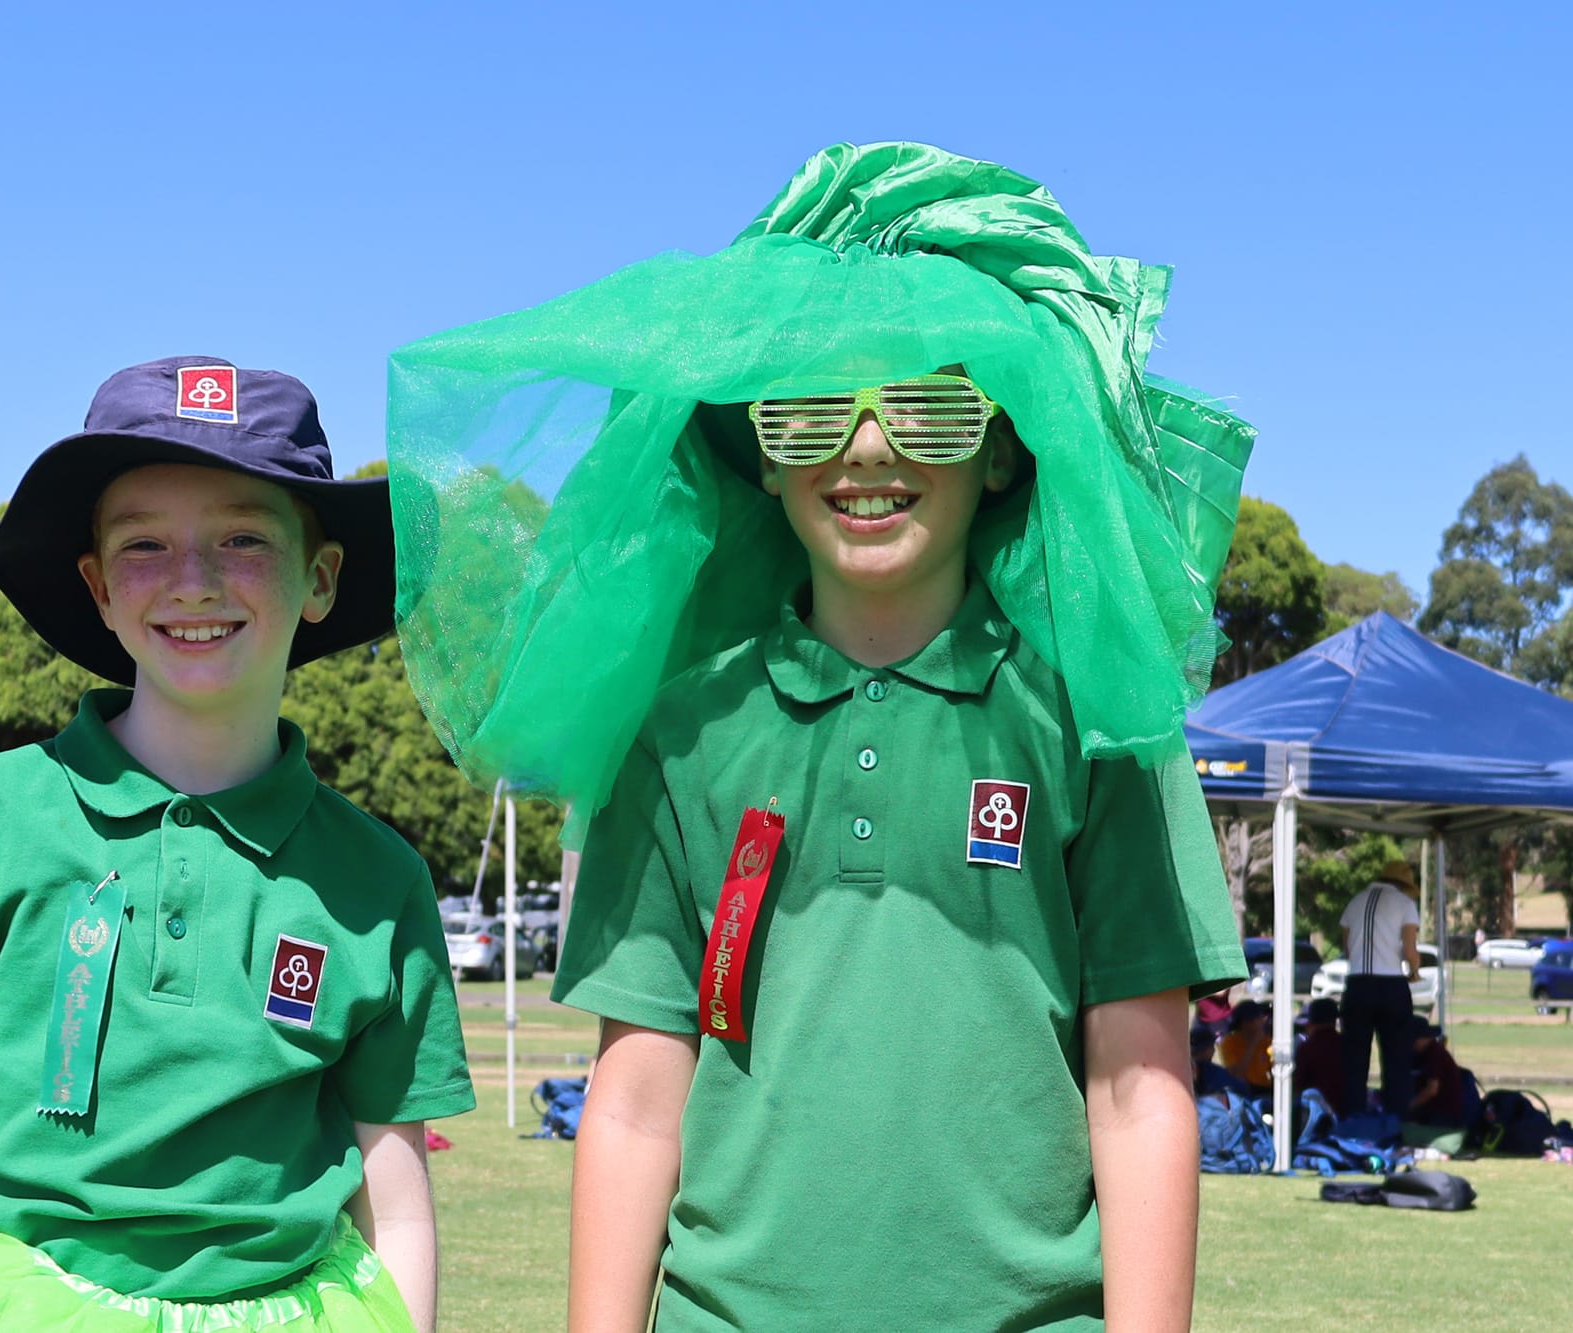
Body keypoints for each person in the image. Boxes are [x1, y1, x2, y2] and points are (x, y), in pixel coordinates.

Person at [387, 143, 1255, 1330]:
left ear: (1004, 446)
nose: (865, 448)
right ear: (757, 448)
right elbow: (637, 1097)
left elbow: (1141, 1089)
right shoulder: (683, 729)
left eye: (929, 405)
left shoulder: (1098, 722)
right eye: (808, 411)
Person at [0, 357, 474, 1333]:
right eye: (144, 545)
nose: (192, 580)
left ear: (321, 575)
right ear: (98, 588)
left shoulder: (379, 875)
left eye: (244, 536)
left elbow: (398, 1204)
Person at [1340, 859, 1422, 1117]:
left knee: (1354, 1061)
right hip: (1391, 985)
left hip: (1357, 984)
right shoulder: (1404, 904)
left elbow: (1347, 947)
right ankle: (1395, 1122)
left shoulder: (1355, 901)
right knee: (1396, 1060)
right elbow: (1410, 949)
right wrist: (1415, 972)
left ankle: (1353, 1122)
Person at [1407, 1015, 1466, 1127]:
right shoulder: (1424, 1054)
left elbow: (1432, 1089)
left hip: (1444, 1113)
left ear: (1421, 1038)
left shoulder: (1434, 1054)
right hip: (1433, 1110)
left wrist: (1410, 1105)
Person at [1292, 998, 1346, 1115]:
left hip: (1314, 1110)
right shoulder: (1346, 1045)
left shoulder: (1307, 1047)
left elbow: (1299, 1083)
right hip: (1344, 1108)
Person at [1217, 999, 1273, 1094]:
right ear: (1246, 1022)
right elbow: (1237, 1074)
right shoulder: (1230, 1042)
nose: (1263, 1020)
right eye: (1259, 1017)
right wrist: (1254, 1043)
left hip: (1265, 1088)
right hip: (1243, 1090)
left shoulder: (1266, 1041)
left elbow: (1273, 1067)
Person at [1191, 1025, 1251, 1099]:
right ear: (1206, 1049)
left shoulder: (1181, 1069)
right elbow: (1242, 1088)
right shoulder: (1212, 1071)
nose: (1213, 1050)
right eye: (1211, 1047)